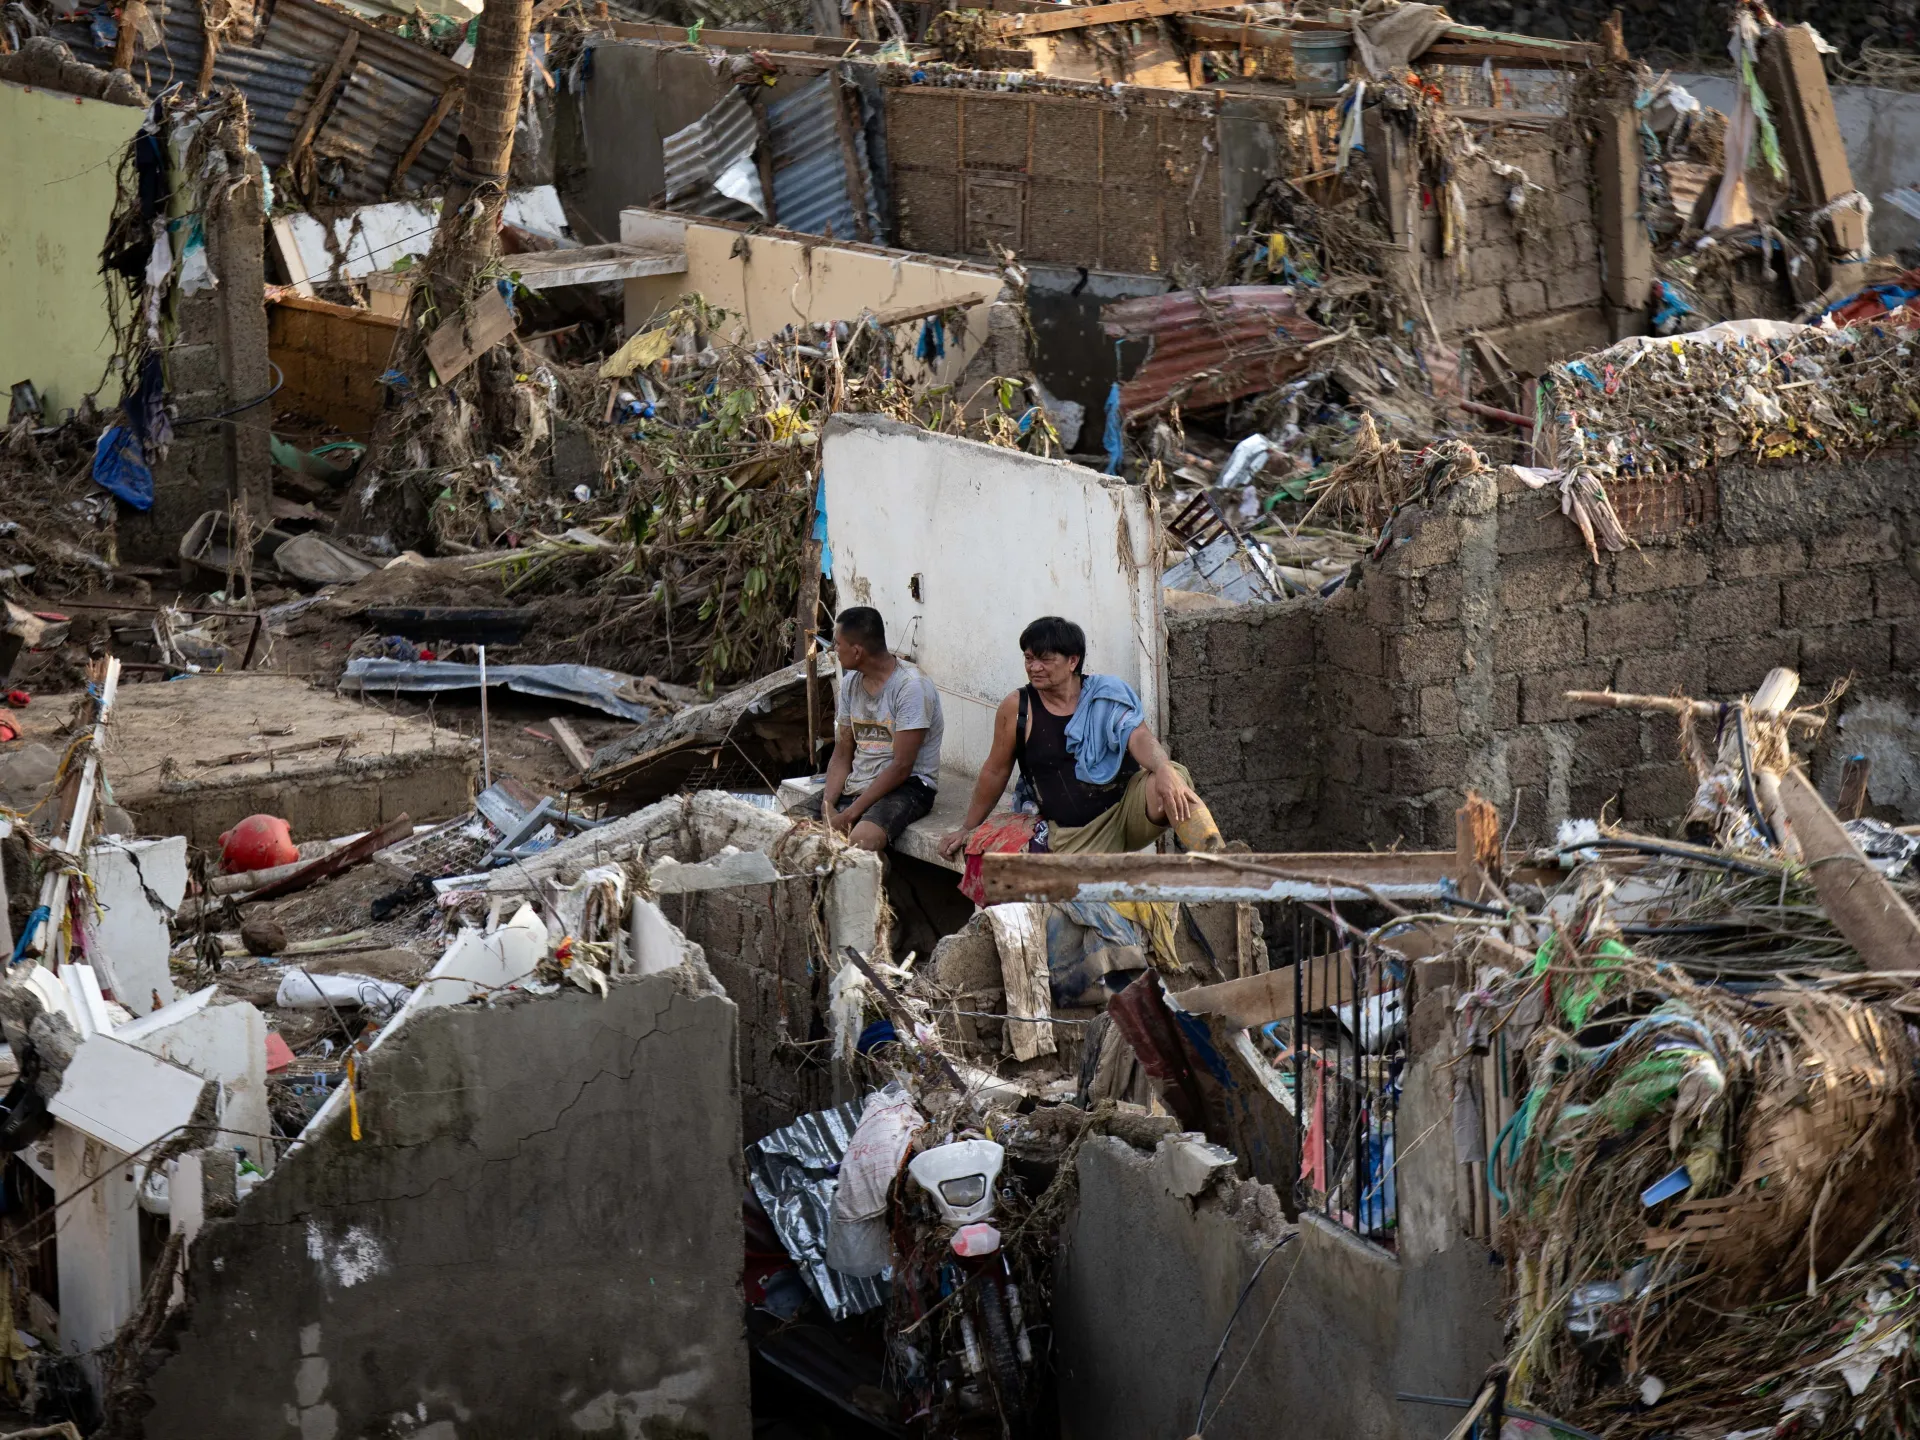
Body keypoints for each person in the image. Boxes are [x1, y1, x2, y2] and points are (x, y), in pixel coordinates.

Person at [938, 615, 1222, 859]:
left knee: (1174, 776)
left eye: (1045, 659)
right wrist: (967, 828)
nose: (1034, 667)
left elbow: (1139, 737)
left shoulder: (1105, 694)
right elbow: (995, 771)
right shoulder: (1017, 707)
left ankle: (1218, 858)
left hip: (1125, 814)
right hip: (1072, 837)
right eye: (1029, 658)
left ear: (1072, 661)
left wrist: (1162, 769)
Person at [793, 606, 944, 853]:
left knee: (860, 844)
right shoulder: (851, 681)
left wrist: (850, 814)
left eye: (837, 644)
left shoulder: (911, 687)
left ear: (857, 651)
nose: (833, 650)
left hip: (909, 786)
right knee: (790, 828)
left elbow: (902, 766)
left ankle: (881, 884)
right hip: (860, 781)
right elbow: (843, 752)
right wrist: (828, 805)